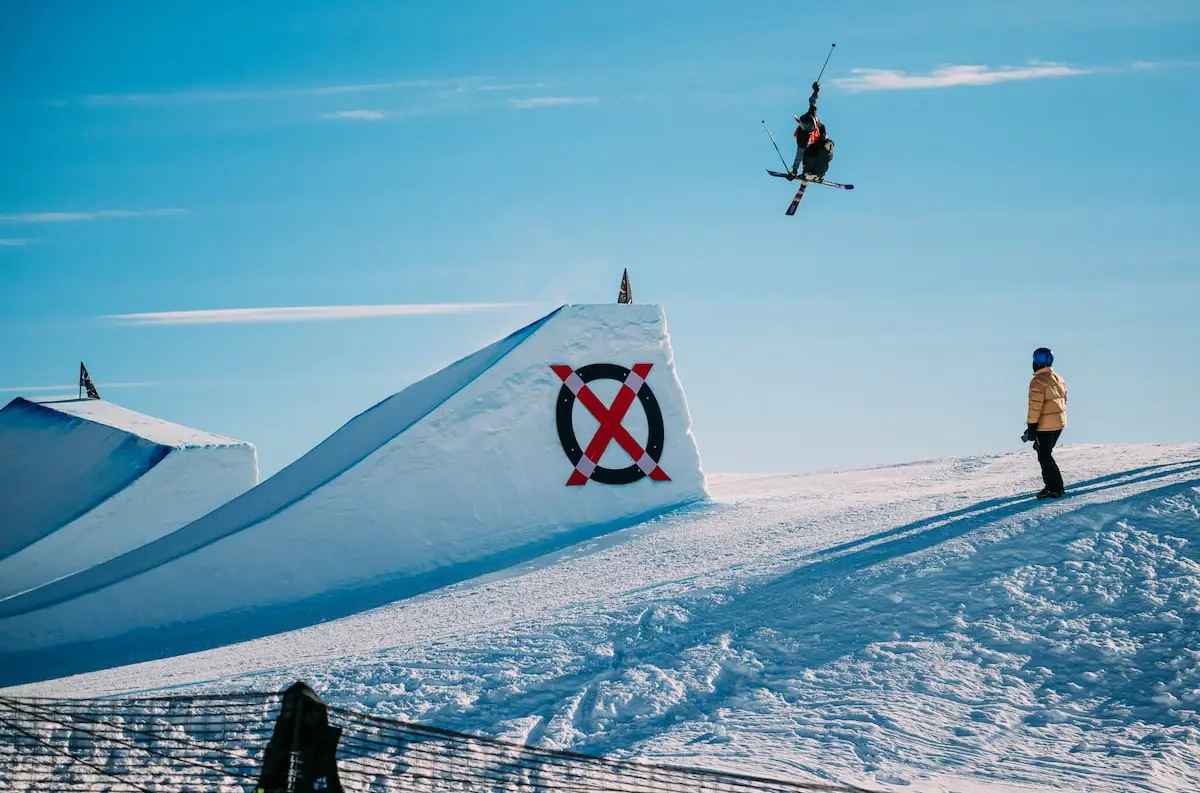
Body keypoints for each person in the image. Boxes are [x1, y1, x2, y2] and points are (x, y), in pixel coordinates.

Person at [1021, 347, 1068, 498]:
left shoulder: (1037, 381)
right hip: (1059, 423)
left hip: (1045, 425)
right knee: (1043, 451)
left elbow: (1035, 407)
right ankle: (1055, 486)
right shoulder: (1058, 378)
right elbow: (1064, 400)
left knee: (1044, 455)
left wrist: (1032, 427)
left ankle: (1054, 487)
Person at [790, 81, 835, 181]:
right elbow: (799, 154)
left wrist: (815, 91)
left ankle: (818, 173)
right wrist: (794, 170)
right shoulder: (802, 137)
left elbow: (812, 100)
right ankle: (807, 172)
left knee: (826, 150)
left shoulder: (812, 113)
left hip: (823, 142)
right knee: (809, 155)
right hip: (811, 148)